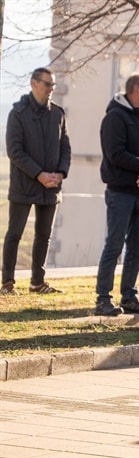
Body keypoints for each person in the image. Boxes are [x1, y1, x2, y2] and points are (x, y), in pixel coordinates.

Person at [2, 67, 71, 296]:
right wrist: (38, 174)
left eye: (53, 85)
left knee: (44, 235)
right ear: (34, 83)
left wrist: (60, 173)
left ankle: (37, 282)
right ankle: (7, 283)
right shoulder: (18, 113)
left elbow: (65, 147)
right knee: (15, 233)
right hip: (25, 184)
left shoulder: (58, 114)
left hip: (51, 186)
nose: (51, 89)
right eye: (47, 84)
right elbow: (15, 150)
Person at [94, 73, 139, 316]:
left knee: (137, 246)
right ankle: (103, 298)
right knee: (114, 245)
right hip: (120, 193)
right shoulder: (115, 118)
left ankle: (129, 296)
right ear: (136, 90)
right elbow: (115, 154)